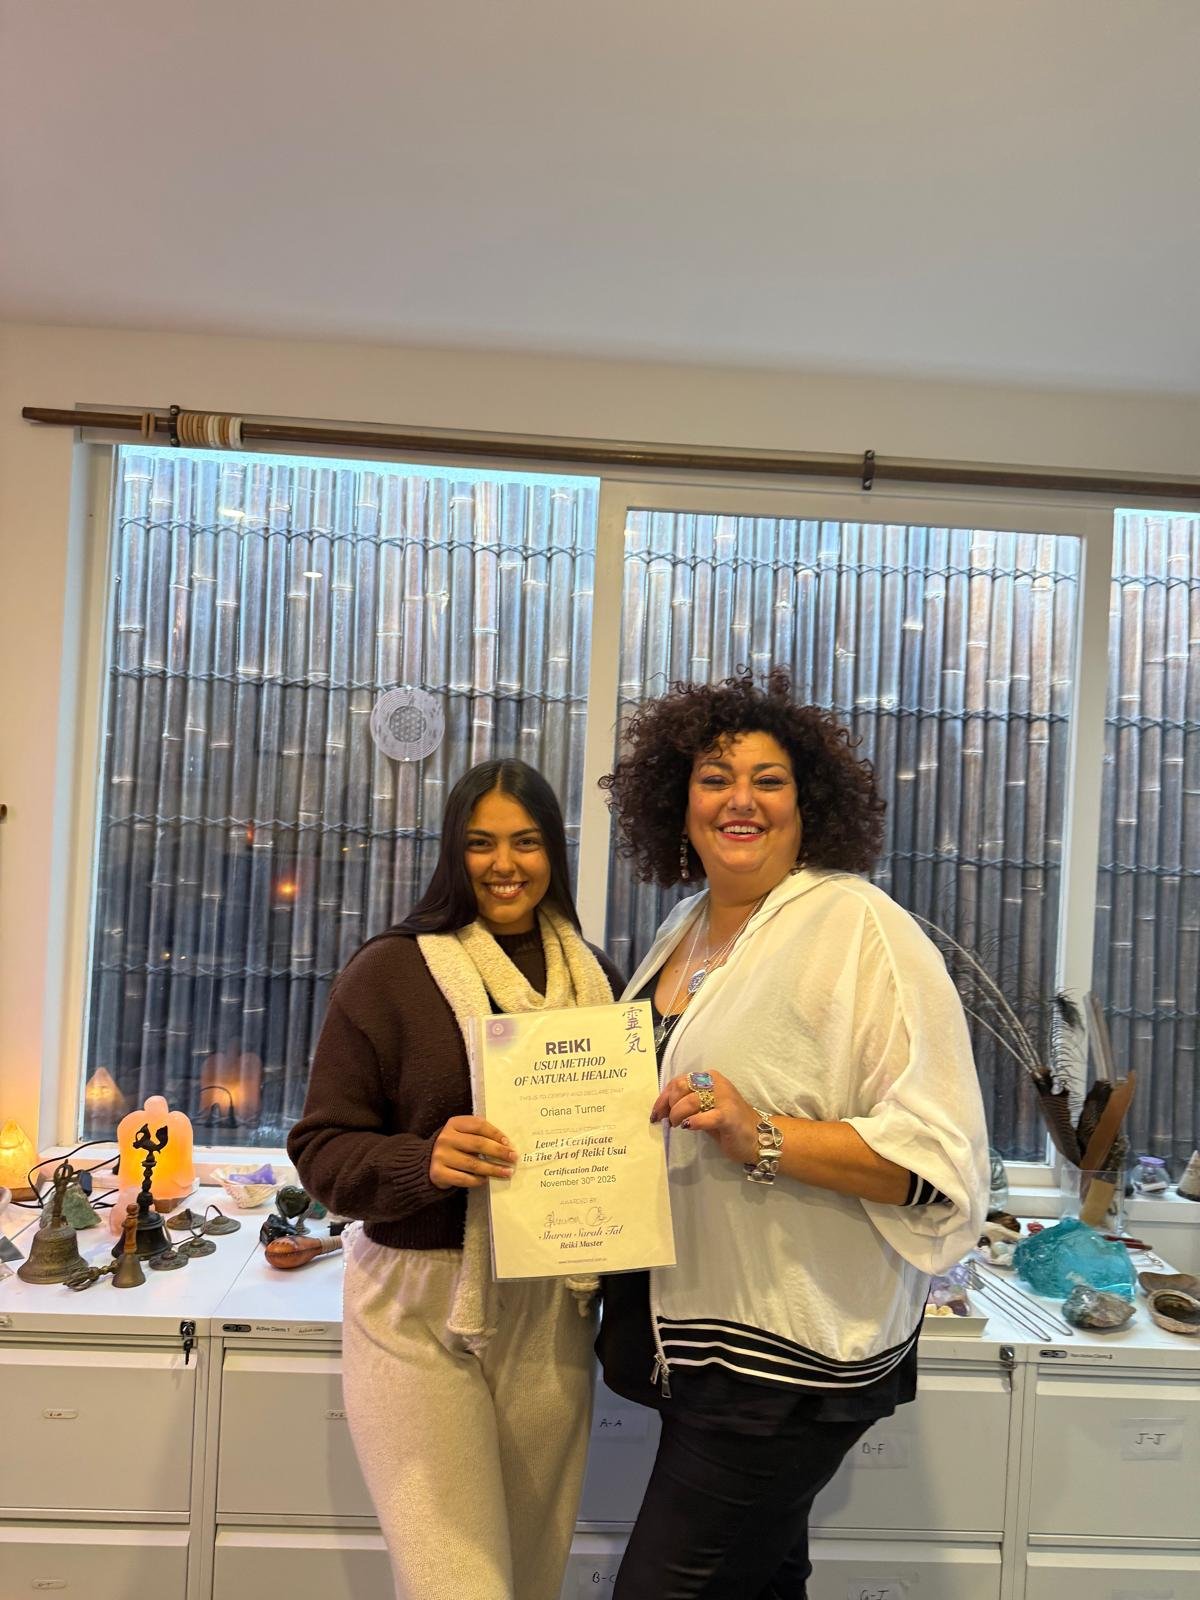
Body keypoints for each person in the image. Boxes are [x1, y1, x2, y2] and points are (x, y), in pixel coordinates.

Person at [596, 669, 989, 1600]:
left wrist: (762, 1132)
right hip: (698, 1344)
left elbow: (939, 1164)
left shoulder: (860, 928)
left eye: (768, 780)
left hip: (783, 1361)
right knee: (766, 1579)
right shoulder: (681, 931)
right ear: (676, 801)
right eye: (714, 776)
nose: (740, 800)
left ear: (808, 804)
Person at [289, 758, 624, 1600]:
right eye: (480, 844)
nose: (504, 864)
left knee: (530, 1578)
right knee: (459, 1586)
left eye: (526, 842)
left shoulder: (598, 980)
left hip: (551, 1305)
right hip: (419, 1306)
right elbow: (321, 1148)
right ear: (452, 853)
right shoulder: (391, 973)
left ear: (554, 853)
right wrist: (421, 1159)